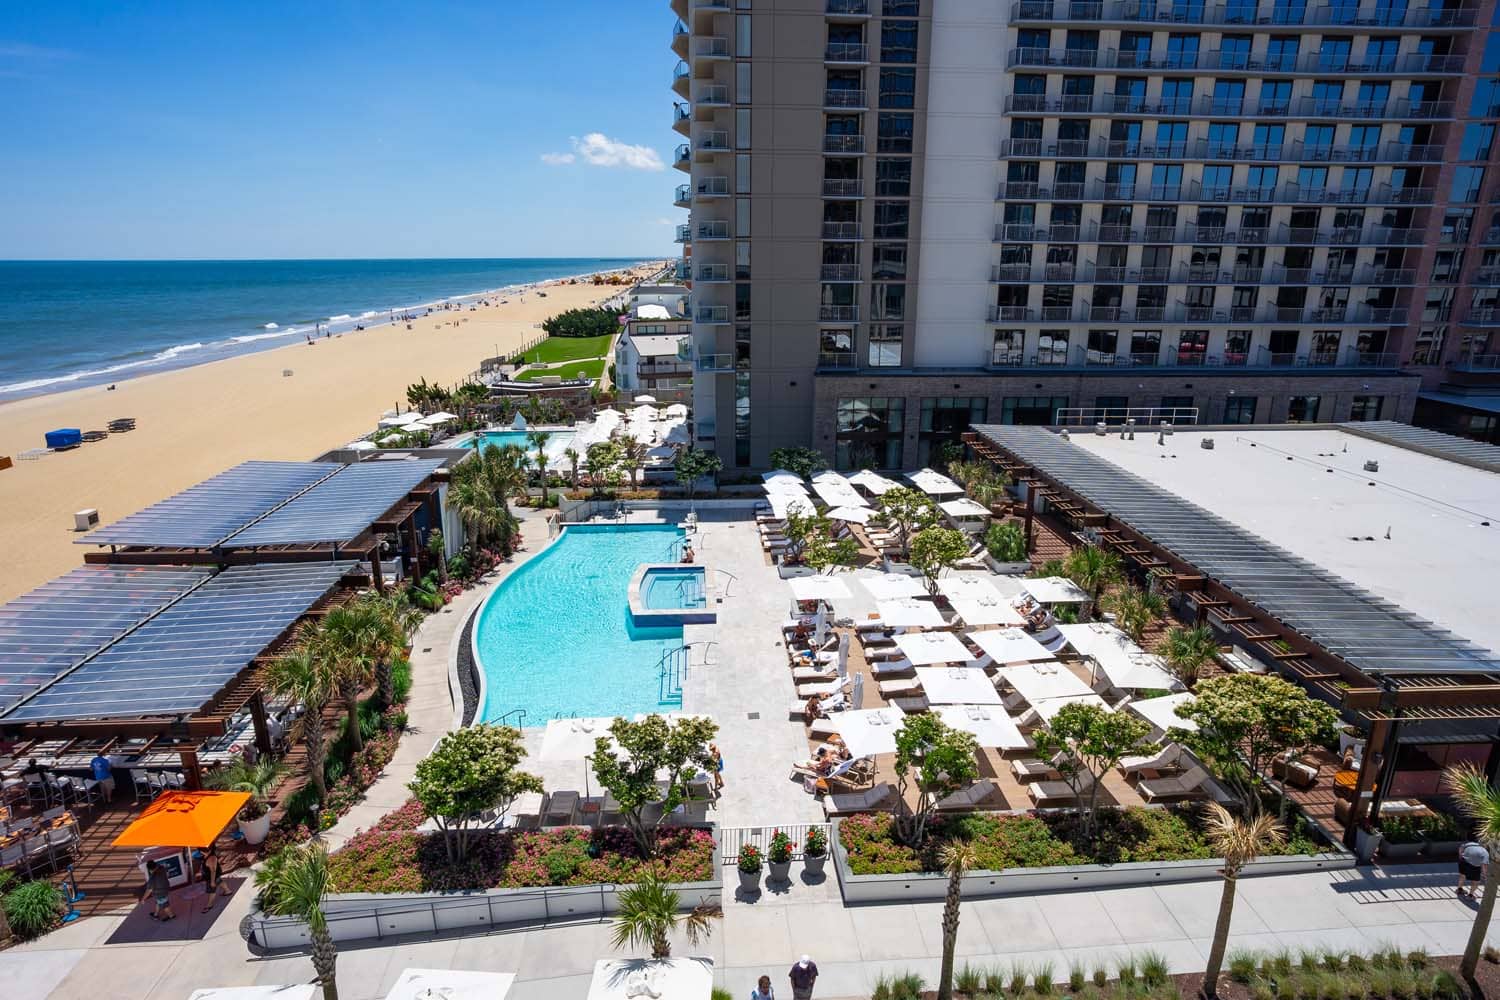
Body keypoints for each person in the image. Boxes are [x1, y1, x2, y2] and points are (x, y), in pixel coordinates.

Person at [200, 846, 230, 911]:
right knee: (220, 881)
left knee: (212, 890)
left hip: (211, 877)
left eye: (201, 851)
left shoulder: (211, 858)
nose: (201, 852)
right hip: (215, 876)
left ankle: (209, 905)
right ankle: (227, 891)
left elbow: (213, 871)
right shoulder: (207, 855)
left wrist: (212, 881)